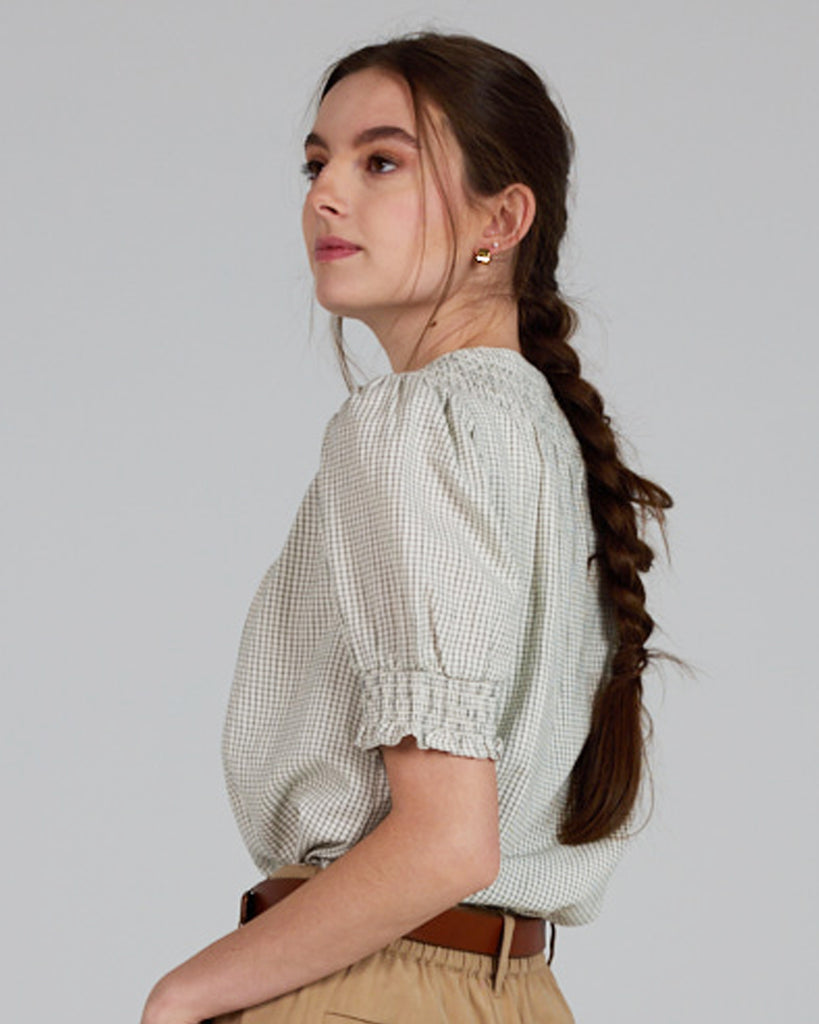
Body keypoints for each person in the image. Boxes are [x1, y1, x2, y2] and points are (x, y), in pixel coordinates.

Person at [140, 30, 679, 1024]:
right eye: (317, 163)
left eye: (381, 160)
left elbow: (446, 840)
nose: (325, 194)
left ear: (503, 216)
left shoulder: (410, 423)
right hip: (521, 995)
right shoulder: (544, 437)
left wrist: (183, 995)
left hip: (368, 989)